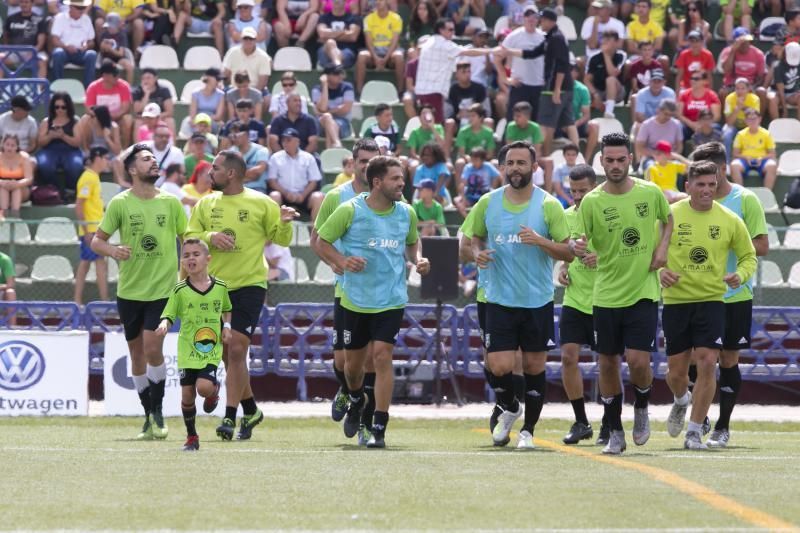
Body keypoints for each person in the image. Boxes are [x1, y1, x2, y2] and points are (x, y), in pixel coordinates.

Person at [316, 155, 430, 448]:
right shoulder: (349, 210)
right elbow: (321, 241)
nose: (401, 183)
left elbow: (412, 241)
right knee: (352, 369)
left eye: (402, 178)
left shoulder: (406, 212)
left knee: (381, 357)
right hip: (355, 300)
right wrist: (341, 260)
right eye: (395, 178)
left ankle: (379, 424)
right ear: (377, 182)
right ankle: (355, 398)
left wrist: (417, 259)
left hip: (391, 298)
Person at [185, 150, 298, 441]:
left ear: (231, 173)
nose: (210, 173)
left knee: (236, 349)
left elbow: (282, 240)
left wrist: (284, 222)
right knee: (227, 355)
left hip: (250, 285)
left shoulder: (261, 203)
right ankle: (251, 410)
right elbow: (189, 236)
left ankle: (229, 417)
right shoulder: (205, 203)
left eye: (216, 168)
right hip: (215, 287)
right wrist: (210, 237)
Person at [573, 132, 673, 455]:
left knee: (639, 361)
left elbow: (668, 219)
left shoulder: (650, 192)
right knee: (607, 365)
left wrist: (662, 249)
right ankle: (614, 428)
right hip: (605, 295)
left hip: (643, 291)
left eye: (621, 159)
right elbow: (578, 241)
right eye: (609, 160)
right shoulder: (592, 201)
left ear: (631, 158)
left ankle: (642, 405)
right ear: (600, 161)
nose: (615, 165)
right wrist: (580, 250)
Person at [470, 140, 572, 449]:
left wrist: (541, 241)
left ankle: (528, 430)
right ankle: (511, 406)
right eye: (510, 163)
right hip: (499, 297)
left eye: (522, 163)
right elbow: (473, 238)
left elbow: (569, 250)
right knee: (499, 366)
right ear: (501, 168)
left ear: (535, 167)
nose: (516, 168)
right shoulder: (488, 202)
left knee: (533, 367)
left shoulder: (548, 204)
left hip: (536, 300)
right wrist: (477, 252)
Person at [91, 143, 187, 440]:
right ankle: (148, 416)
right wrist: (113, 250)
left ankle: (158, 412)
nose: (153, 162)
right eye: (146, 159)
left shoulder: (171, 202)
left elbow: (188, 239)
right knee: (136, 356)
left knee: (152, 347)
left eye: (154, 159)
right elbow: (97, 241)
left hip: (162, 290)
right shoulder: (120, 203)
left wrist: (186, 276)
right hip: (130, 291)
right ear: (132, 169)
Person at [660, 160, 756, 450]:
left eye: (711, 185)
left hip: (713, 301)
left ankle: (693, 432)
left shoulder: (729, 219)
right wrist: (659, 272)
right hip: (677, 302)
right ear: (687, 186)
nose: (706, 190)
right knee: (676, 372)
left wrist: (740, 275)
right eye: (700, 185)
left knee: (707, 362)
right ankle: (680, 399)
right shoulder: (670, 216)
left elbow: (749, 256)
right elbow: (651, 254)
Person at [690, 141, 769, 448]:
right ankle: (700, 413)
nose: (704, 183)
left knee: (727, 360)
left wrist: (729, 240)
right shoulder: (694, 199)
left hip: (733, 295)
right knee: (694, 360)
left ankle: (722, 425)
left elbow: (762, 246)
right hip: (696, 294)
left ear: (722, 169)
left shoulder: (744, 199)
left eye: (710, 173)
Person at [311, 138, 380, 444]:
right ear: (352, 163)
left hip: (380, 291)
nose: (367, 165)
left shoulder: (387, 197)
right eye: (362, 160)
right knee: (342, 362)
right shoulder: (336, 196)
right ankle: (349, 393)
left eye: (372, 160)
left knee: (371, 361)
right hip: (347, 288)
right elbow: (317, 239)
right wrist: (336, 261)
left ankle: (363, 417)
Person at [156, 239, 232, 452]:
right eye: (186, 255)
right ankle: (192, 437)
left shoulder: (220, 287)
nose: (191, 258)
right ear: (182, 262)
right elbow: (169, 314)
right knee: (187, 396)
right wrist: (164, 324)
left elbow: (227, 308)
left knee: (203, 388)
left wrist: (226, 326)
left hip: (209, 348)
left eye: (196, 254)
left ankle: (213, 391)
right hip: (187, 349)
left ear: (208, 259)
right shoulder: (180, 290)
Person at [558, 164, 602, 445]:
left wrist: (602, 258)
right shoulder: (565, 216)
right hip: (574, 298)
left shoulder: (609, 214)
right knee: (567, 357)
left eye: (582, 191)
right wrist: (563, 268)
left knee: (608, 363)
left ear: (595, 188)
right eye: (573, 191)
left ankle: (610, 421)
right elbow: (565, 250)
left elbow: (626, 251)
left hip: (605, 298)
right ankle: (581, 421)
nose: (577, 196)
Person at [498, 7, 577, 154]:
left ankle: (542, 155)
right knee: (560, 123)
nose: (539, 21)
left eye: (541, 19)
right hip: (537, 86)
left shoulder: (556, 38)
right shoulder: (548, 37)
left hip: (553, 87)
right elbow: (532, 53)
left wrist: (557, 89)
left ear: (549, 21)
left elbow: (562, 65)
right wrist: (508, 52)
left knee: (547, 124)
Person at [413, 18, 492, 124]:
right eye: (450, 30)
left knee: (426, 126)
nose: (453, 33)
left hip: (422, 92)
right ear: (441, 30)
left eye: (453, 30)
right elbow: (468, 52)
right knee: (435, 126)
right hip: (433, 93)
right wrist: (492, 51)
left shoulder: (430, 41)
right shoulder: (443, 44)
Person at [74, 146, 111, 305]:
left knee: (93, 263)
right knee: (91, 264)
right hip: (90, 230)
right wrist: (86, 231)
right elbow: (79, 205)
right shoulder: (88, 178)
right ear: (98, 158)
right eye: (105, 158)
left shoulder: (94, 177)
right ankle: (100, 301)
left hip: (96, 230)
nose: (107, 161)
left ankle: (98, 300)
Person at [495, 5, 544, 121]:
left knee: (536, 123)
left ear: (538, 19)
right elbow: (497, 58)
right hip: (520, 86)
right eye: (527, 15)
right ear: (523, 18)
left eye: (534, 16)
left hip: (539, 87)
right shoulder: (514, 36)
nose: (531, 19)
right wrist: (506, 79)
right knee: (513, 122)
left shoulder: (544, 37)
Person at [35, 92, 84, 195]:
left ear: (68, 107)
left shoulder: (74, 121)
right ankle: (53, 189)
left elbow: (78, 142)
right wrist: (50, 136)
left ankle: (70, 189)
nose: (60, 110)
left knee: (75, 166)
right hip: (49, 149)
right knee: (45, 165)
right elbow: (40, 142)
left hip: (70, 150)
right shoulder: (46, 121)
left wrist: (63, 136)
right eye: (57, 107)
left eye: (63, 107)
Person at [267, 129, 323, 219]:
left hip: (304, 196)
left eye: (288, 140)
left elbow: (313, 181)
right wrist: (286, 193)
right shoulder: (275, 157)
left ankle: (314, 232)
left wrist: (303, 195)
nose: (285, 143)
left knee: (318, 197)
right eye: (283, 140)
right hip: (283, 196)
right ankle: (273, 230)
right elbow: (272, 181)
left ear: (297, 142)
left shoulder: (308, 157)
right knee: (274, 195)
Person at [356, 0, 405, 93]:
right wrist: (376, 58)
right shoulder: (368, 18)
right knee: (362, 56)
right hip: (374, 51)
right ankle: (359, 91)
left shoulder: (396, 18)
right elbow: (368, 41)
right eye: (377, 1)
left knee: (399, 57)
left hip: (390, 52)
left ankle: (400, 91)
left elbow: (394, 42)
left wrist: (385, 59)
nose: (378, 2)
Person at [85, 61, 134, 148]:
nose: (117, 77)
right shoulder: (93, 87)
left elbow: (125, 108)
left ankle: (124, 150)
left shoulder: (124, 86)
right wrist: (103, 117)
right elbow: (89, 109)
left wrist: (114, 116)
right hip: (98, 119)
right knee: (85, 119)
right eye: (114, 75)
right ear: (105, 76)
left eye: (117, 74)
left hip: (118, 118)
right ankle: (87, 150)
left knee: (128, 119)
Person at [50, 0, 97, 88]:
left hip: (81, 52)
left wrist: (86, 45)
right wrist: (66, 47)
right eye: (79, 8)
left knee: (91, 54)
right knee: (58, 53)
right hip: (65, 51)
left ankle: (88, 88)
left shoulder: (86, 19)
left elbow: (92, 41)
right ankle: (57, 86)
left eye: (83, 8)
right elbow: (55, 40)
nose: (81, 10)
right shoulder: (60, 17)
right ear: (70, 7)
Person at [730, 109, 778, 190]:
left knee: (772, 165)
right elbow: (735, 153)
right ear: (745, 120)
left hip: (762, 160)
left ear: (760, 119)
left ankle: (767, 193)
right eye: (749, 119)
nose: (752, 121)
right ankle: (741, 194)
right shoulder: (740, 134)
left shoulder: (766, 134)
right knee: (734, 165)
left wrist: (761, 158)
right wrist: (746, 157)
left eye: (755, 118)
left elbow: (772, 154)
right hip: (745, 160)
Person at [221, 26, 272, 98]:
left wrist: (252, 95)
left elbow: (262, 82)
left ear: (255, 40)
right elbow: (226, 74)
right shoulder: (232, 52)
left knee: (267, 99)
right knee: (221, 96)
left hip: (255, 89)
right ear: (241, 39)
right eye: (245, 38)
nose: (248, 41)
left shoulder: (264, 56)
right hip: (234, 88)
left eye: (251, 39)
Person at [2, 0, 48, 78]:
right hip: (14, 52)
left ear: (32, 4)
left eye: (26, 2)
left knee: (43, 61)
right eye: (22, 2)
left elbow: (41, 42)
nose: (24, 4)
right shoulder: (11, 18)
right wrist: (8, 50)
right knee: (0, 58)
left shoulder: (39, 19)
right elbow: (6, 36)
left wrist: (33, 52)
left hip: (33, 51)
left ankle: (39, 89)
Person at [585, 29, 625, 118]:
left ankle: (609, 110)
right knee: (585, 91)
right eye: (604, 39)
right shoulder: (594, 58)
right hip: (599, 90)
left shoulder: (621, 55)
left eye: (609, 40)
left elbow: (613, 74)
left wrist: (606, 55)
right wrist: (595, 95)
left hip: (617, 92)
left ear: (616, 42)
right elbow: (587, 80)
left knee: (610, 79)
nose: (605, 42)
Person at [313, 66, 355, 149]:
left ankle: (330, 151)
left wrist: (328, 112)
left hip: (343, 123)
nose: (340, 76)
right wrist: (325, 86)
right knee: (327, 118)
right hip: (321, 126)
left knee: (328, 120)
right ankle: (337, 144)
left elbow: (346, 109)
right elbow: (322, 108)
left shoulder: (347, 87)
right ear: (326, 76)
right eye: (336, 73)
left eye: (341, 73)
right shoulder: (317, 89)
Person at [227, 120, 271, 194]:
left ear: (246, 135)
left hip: (257, 189)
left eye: (236, 135)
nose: (233, 138)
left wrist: (237, 177)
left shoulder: (261, 150)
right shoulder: (230, 152)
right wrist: (247, 175)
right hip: (237, 190)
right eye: (231, 135)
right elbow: (228, 175)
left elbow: (257, 172)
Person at [316, 0, 362, 69]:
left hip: (346, 50)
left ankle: (336, 67)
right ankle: (338, 67)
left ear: (345, 2)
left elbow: (352, 37)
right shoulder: (323, 17)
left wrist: (329, 35)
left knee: (330, 41)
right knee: (330, 43)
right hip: (325, 50)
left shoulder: (354, 18)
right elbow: (322, 34)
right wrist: (343, 32)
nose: (336, 1)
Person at [455, 147, 500, 217]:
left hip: (485, 196)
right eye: (472, 159)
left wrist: (493, 187)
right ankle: (468, 218)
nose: (473, 161)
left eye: (476, 159)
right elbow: (462, 184)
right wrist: (463, 198)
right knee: (457, 200)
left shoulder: (488, 166)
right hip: (470, 196)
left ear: (482, 160)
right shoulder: (468, 167)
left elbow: (498, 176)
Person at [133, 68, 176, 139]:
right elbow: (137, 111)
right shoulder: (137, 91)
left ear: (155, 78)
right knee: (138, 122)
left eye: (148, 78)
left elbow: (169, 111)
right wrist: (146, 94)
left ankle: (172, 146)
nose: (146, 81)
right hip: (144, 118)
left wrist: (155, 118)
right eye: (143, 78)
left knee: (170, 121)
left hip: (160, 117)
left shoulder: (164, 90)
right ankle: (138, 148)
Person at [677, 71, 721, 139]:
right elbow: (679, 114)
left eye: (696, 79)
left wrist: (703, 124)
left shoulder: (712, 95)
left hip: (706, 124)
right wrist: (692, 124)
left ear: (705, 81)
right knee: (680, 128)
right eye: (691, 78)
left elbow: (716, 116)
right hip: (689, 125)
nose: (693, 81)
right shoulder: (684, 94)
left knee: (716, 127)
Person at [769, 41, 800, 120]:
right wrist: (784, 109)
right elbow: (780, 90)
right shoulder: (778, 66)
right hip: (778, 93)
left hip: (792, 93)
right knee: (773, 100)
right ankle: (776, 125)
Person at [552, 143, 580, 208]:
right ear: (564, 155)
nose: (571, 157)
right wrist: (569, 200)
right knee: (559, 207)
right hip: (562, 196)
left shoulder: (581, 168)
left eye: (573, 155)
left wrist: (576, 198)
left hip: (578, 195)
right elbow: (557, 189)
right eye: (568, 154)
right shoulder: (559, 169)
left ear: (577, 155)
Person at [0, 250, 17, 320]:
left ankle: (13, 327)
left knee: (10, 292)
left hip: (1, 290)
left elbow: (10, 284)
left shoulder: (5, 259)